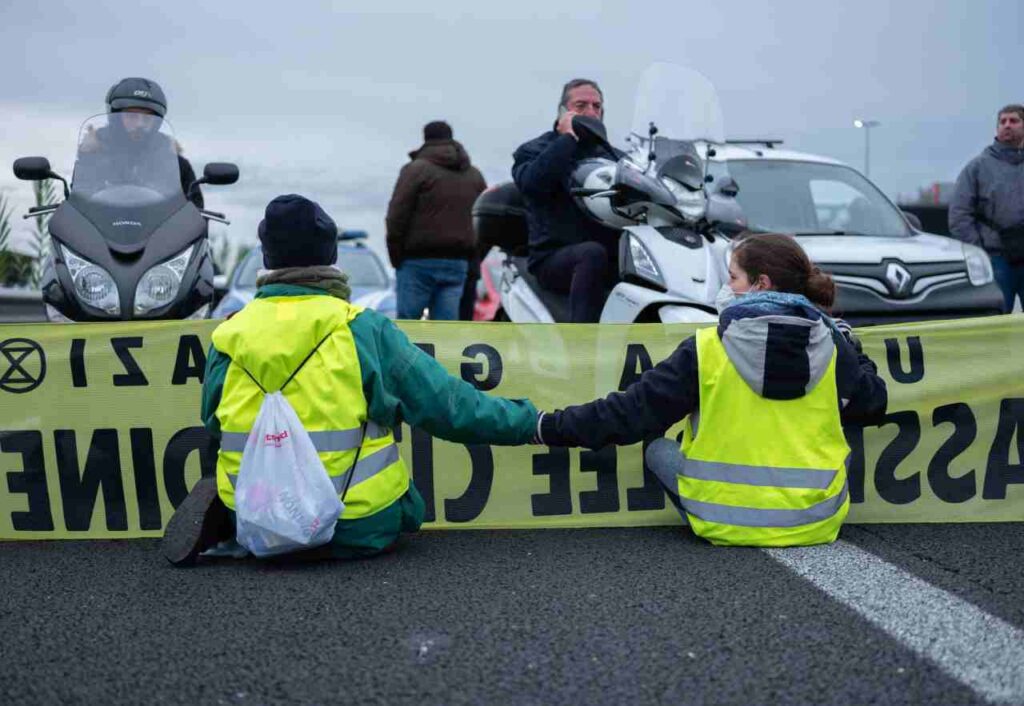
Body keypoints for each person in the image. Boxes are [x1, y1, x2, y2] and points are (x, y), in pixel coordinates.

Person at [161, 194, 538, 566]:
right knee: (405, 498)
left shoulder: (230, 334)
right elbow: (449, 407)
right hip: (357, 526)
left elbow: (212, 420)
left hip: (259, 521)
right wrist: (533, 422)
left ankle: (231, 513)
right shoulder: (361, 328)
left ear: (267, 258)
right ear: (330, 256)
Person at [536, 233, 888, 547]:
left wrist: (546, 426)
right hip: (816, 522)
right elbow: (873, 404)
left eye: (733, 277)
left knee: (657, 447)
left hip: (719, 520)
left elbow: (629, 414)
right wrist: (853, 351)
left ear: (761, 283)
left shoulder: (706, 349)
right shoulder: (833, 348)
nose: (727, 287)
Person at [512, 78, 622, 322]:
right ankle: (580, 345)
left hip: (611, 255)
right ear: (563, 111)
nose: (590, 112)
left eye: (596, 106)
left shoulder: (615, 157)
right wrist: (568, 139)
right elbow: (533, 184)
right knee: (592, 254)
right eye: (581, 106)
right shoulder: (534, 149)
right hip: (554, 257)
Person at [386, 121, 486, 320]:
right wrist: (472, 256)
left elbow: (396, 215)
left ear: (426, 138)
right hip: (458, 262)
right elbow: (484, 219)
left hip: (417, 261)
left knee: (408, 329)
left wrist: (396, 257)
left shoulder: (415, 170)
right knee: (446, 332)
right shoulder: (473, 175)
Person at [79, 77, 203, 208]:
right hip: (102, 227)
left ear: (157, 122)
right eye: (132, 116)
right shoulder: (93, 155)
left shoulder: (176, 164)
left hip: (160, 228)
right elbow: (79, 203)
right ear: (116, 117)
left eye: (147, 118)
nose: (139, 124)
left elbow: (196, 214)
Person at [949, 104, 1024, 312]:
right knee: (996, 324)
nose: (1007, 125)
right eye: (1003, 121)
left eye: (1014, 121)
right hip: (997, 261)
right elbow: (959, 215)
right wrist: (980, 251)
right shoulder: (977, 168)